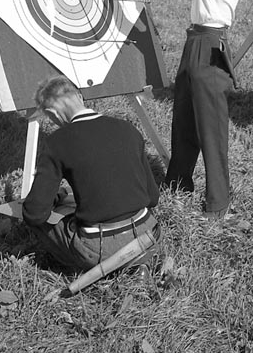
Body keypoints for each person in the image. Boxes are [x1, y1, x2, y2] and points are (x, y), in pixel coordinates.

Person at [105, 0, 242, 219]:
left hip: (209, 44)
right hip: (196, 41)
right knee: (184, 119)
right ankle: (179, 184)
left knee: (211, 129)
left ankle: (218, 204)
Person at [22, 75, 160, 272]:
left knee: (37, 220)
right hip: (149, 233)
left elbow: (34, 213)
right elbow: (153, 198)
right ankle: (138, 263)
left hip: (99, 247)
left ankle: (99, 264)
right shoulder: (128, 129)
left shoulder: (57, 142)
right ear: (79, 96)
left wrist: (55, 201)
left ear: (52, 113)